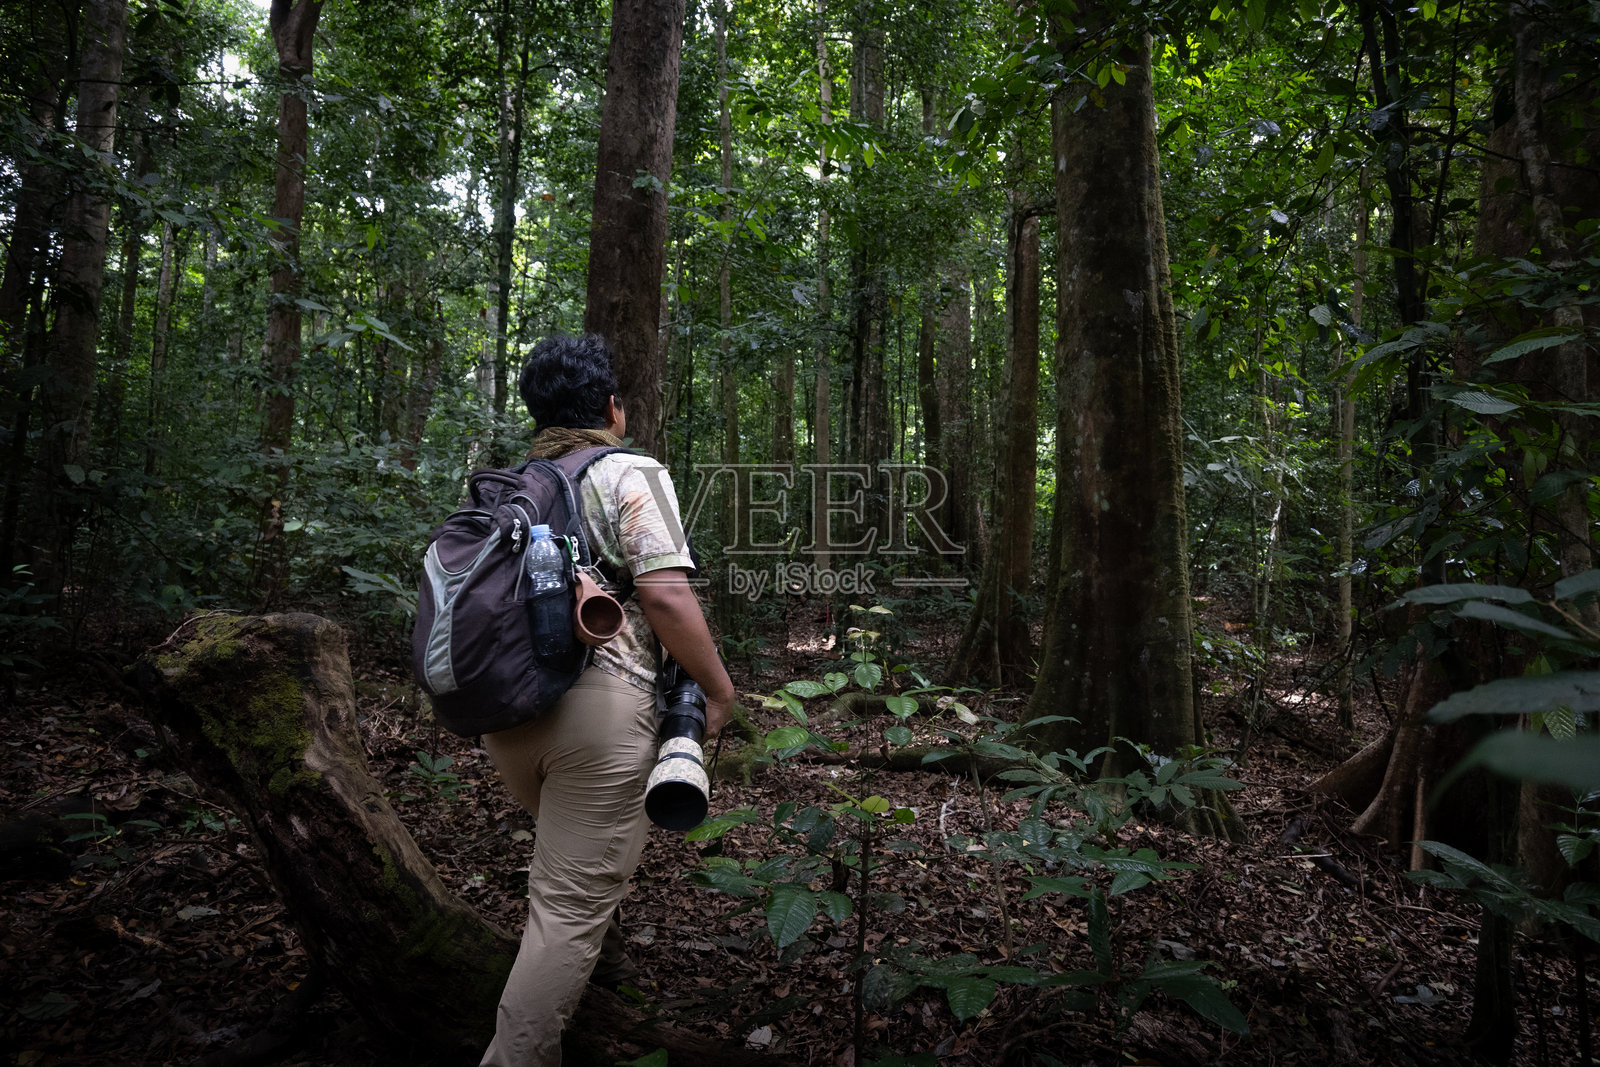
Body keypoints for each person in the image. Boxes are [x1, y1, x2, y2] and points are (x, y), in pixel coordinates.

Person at [478, 333, 735, 1067]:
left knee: (565, 893)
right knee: (565, 911)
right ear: (614, 409)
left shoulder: (513, 484)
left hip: (508, 716)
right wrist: (718, 690)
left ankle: (586, 1013)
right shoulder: (630, 470)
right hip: (601, 717)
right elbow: (663, 592)